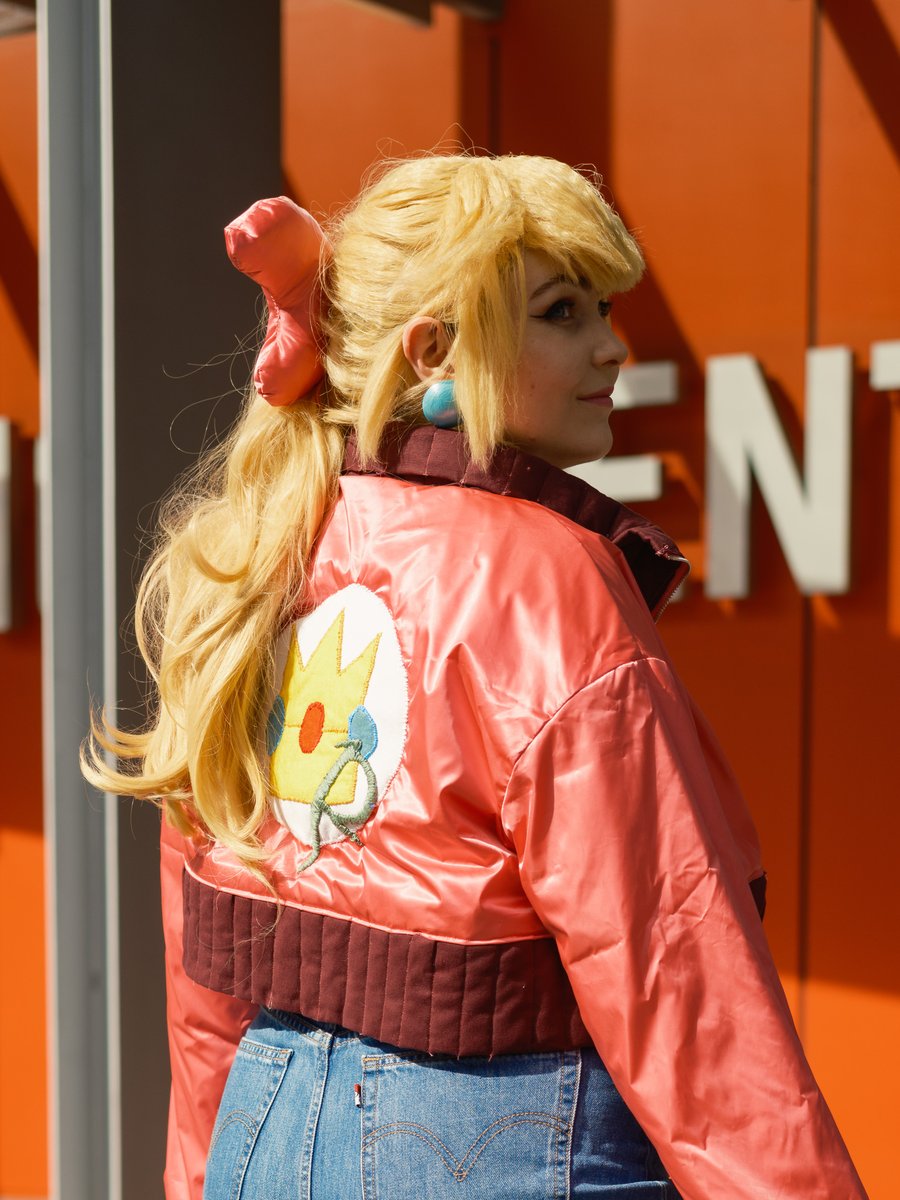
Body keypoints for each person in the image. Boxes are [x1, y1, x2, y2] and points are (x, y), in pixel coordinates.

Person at [83, 153, 867, 1200]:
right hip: (504, 1141)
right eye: (562, 311)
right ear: (435, 351)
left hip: (259, 1133)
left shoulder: (251, 552)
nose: (611, 346)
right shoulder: (547, 575)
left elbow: (208, 971)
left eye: (602, 305)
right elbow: (673, 974)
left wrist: (194, 1176)